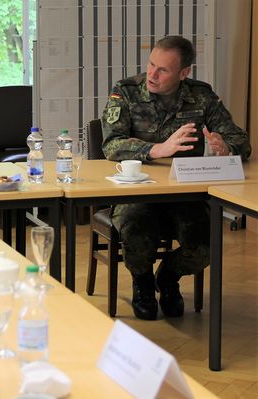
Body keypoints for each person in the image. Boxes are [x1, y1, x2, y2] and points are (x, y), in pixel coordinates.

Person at [101, 35, 252, 321]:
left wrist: (225, 147)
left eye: (163, 70)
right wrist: (158, 149)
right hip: (137, 194)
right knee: (137, 234)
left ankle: (168, 278)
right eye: (151, 65)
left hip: (185, 195)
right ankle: (143, 284)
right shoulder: (127, 91)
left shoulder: (201, 95)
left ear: (184, 73)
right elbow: (111, 145)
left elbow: (241, 140)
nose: (152, 75)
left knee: (206, 246)